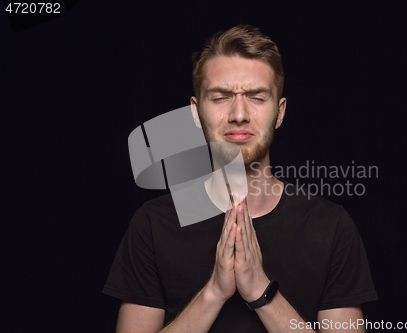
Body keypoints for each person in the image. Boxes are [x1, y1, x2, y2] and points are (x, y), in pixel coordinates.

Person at [103, 24, 378, 332]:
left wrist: (261, 291)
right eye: (220, 97)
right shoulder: (153, 224)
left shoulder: (331, 226)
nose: (238, 114)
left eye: (257, 96)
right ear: (196, 113)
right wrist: (214, 293)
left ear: (280, 111)